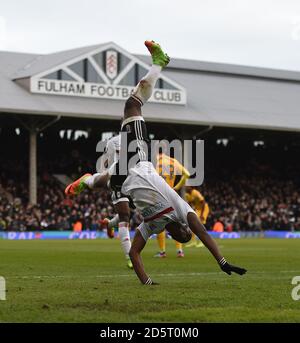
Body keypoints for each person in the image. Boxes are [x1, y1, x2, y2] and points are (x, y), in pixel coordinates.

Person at [65, 40, 247, 284]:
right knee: (132, 105)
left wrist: (147, 282)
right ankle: (159, 63)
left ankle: (87, 182)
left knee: (107, 176)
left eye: (181, 235)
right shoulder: (179, 207)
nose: (182, 232)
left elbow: (135, 253)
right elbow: (201, 231)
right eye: (184, 233)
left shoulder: (152, 226)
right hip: (137, 160)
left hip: (125, 177)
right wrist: (221, 261)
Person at [65, 134, 133, 269]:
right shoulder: (115, 141)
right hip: (119, 179)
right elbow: (107, 163)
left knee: (131, 212)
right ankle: (130, 257)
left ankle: (109, 224)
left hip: (135, 180)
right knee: (125, 215)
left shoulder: (141, 140)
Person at [154, 149, 190, 258]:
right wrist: (177, 187)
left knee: (159, 224)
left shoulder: (155, 161)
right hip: (171, 195)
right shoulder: (173, 161)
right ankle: (179, 251)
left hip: (159, 195)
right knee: (177, 223)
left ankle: (162, 252)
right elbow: (187, 174)